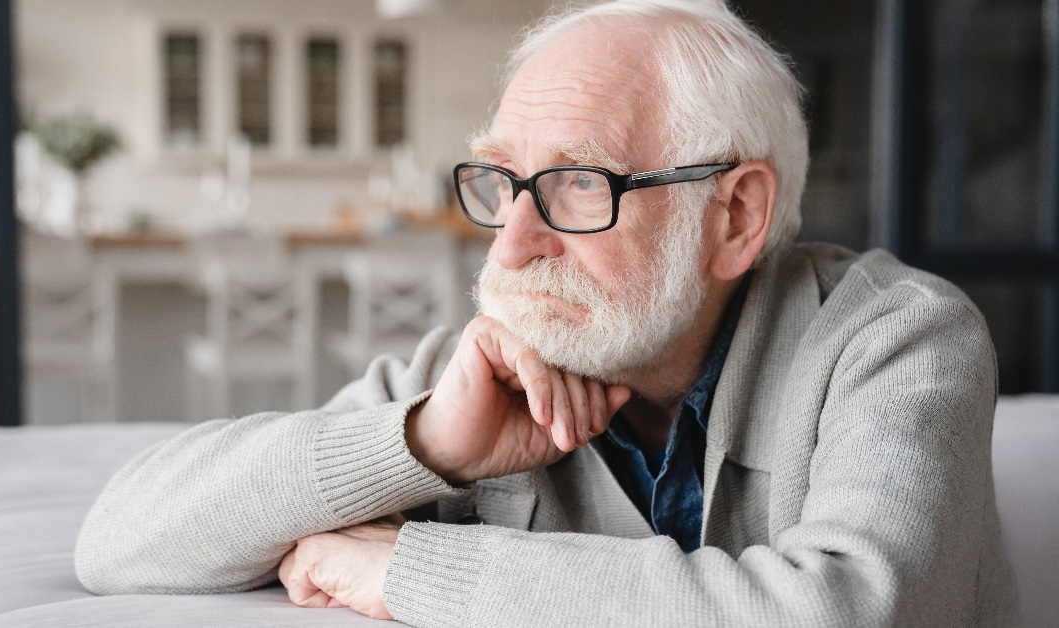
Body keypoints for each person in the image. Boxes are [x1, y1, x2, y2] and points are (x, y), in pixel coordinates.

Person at [75, 0, 1019, 625]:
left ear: (735, 216)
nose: (510, 244)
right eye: (503, 181)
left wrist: (408, 571)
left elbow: (851, 612)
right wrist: (421, 443)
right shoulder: (493, 368)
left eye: (578, 183)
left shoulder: (901, 339)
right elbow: (116, 543)